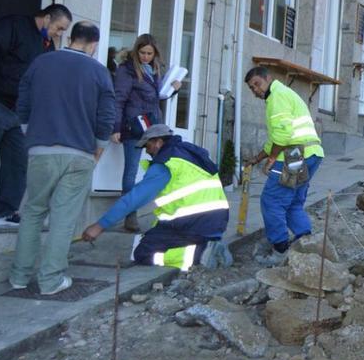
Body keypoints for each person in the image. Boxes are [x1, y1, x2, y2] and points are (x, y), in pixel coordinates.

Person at [11, 21, 114, 295]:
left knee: (32, 212)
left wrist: (29, 133)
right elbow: (106, 116)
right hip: (79, 152)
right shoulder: (99, 71)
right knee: (63, 217)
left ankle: (19, 276)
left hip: (40, 149)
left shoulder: (40, 63)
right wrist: (99, 148)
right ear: (94, 44)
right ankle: (50, 280)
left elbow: (23, 102)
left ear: (71, 37)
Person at [0, 4, 70, 226]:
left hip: (20, 114)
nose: (59, 34)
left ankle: (4, 210)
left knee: (17, 163)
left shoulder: (47, 47)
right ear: (47, 18)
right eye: (58, 28)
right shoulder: (13, 26)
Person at [81, 125, 230, 270]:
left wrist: (99, 226)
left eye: (148, 146)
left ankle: (201, 254)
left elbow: (134, 198)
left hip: (193, 225)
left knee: (144, 253)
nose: (147, 151)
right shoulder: (189, 155)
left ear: (158, 142)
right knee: (152, 234)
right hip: (214, 222)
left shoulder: (165, 163)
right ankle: (206, 245)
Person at [243, 66, 324, 258]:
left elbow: (282, 136)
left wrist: (271, 160)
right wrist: (257, 158)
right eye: (251, 88)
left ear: (268, 78)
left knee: (272, 201)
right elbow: (274, 140)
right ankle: (305, 240)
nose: (256, 90)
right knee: (293, 201)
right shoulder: (284, 94)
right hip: (312, 153)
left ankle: (280, 248)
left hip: (294, 155)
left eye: (257, 84)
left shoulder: (276, 97)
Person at [111, 34, 181, 232]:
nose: (145, 57)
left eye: (149, 53)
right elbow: (119, 99)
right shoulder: (127, 70)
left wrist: (173, 89)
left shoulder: (155, 69)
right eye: (142, 52)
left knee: (160, 169)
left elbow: (156, 97)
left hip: (153, 127)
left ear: (155, 53)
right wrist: (115, 128)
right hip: (134, 126)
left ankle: (165, 210)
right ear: (136, 50)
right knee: (131, 171)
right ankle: (129, 215)